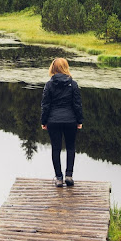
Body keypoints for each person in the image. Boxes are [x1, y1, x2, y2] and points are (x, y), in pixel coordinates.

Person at [40, 57, 83, 187]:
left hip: (53, 120)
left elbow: (45, 105)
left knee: (56, 149)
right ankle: (69, 175)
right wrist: (79, 120)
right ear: (66, 67)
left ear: (53, 68)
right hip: (70, 120)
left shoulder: (49, 84)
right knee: (70, 147)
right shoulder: (73, 84)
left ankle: (59, 178)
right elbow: (77, 104)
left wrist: (44, 121)